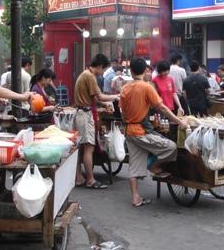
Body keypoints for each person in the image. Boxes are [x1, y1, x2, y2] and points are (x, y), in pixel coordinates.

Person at [120, 57, 188, 207]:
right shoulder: (146, 87)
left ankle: (136, 198)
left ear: (131, 71)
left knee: (134, 165)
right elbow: (162, 107)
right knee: (171, 147)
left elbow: (123, 113)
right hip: (140, 131)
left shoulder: (124, 88)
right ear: (145, 71)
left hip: (129, 131)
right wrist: (179, 121)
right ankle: (154, 167)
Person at [74, 53, 120, 190]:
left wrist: (105, 104)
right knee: (89, 147)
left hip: (81, 113)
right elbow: (99, 96)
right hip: (85, 114)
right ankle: (90, 179)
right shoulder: (90, 76)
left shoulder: (85, 74)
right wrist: (115, 97)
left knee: (81, 149)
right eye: (103, 70)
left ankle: (78, 177)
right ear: (100, 66)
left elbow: (95, 98)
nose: (103, 73)